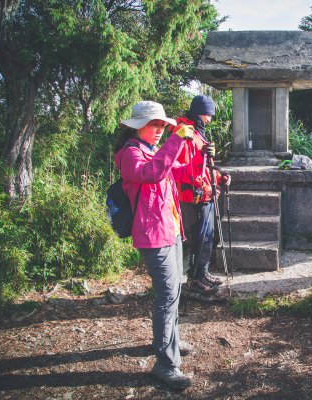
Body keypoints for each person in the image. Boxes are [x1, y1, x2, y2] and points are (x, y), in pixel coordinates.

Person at [114, 100, 195, 390]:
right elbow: (152, 174)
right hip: (152, 234)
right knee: (167, 295)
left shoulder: (152, 149)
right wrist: (175, 139)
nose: (160, 130)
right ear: (138, 127)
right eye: (154, 125)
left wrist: (194, 148)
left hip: (170, 230)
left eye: (163, 125)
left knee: (174, 291)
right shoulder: (130, 154)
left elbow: (178, 168)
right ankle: (165, 364)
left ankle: (166, 342)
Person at [170, 94, 231, 295]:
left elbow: (203, 167)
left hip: (204, 192)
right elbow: (182, 167)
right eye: (208, 115)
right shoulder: (184, 132)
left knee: (207, 236)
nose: (210, 120)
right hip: (193, 195)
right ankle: (194, 279)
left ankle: (202, 273)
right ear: (200, 114)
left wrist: (219, 177)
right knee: (199, 237)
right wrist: (204, 157)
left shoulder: (198, 133)